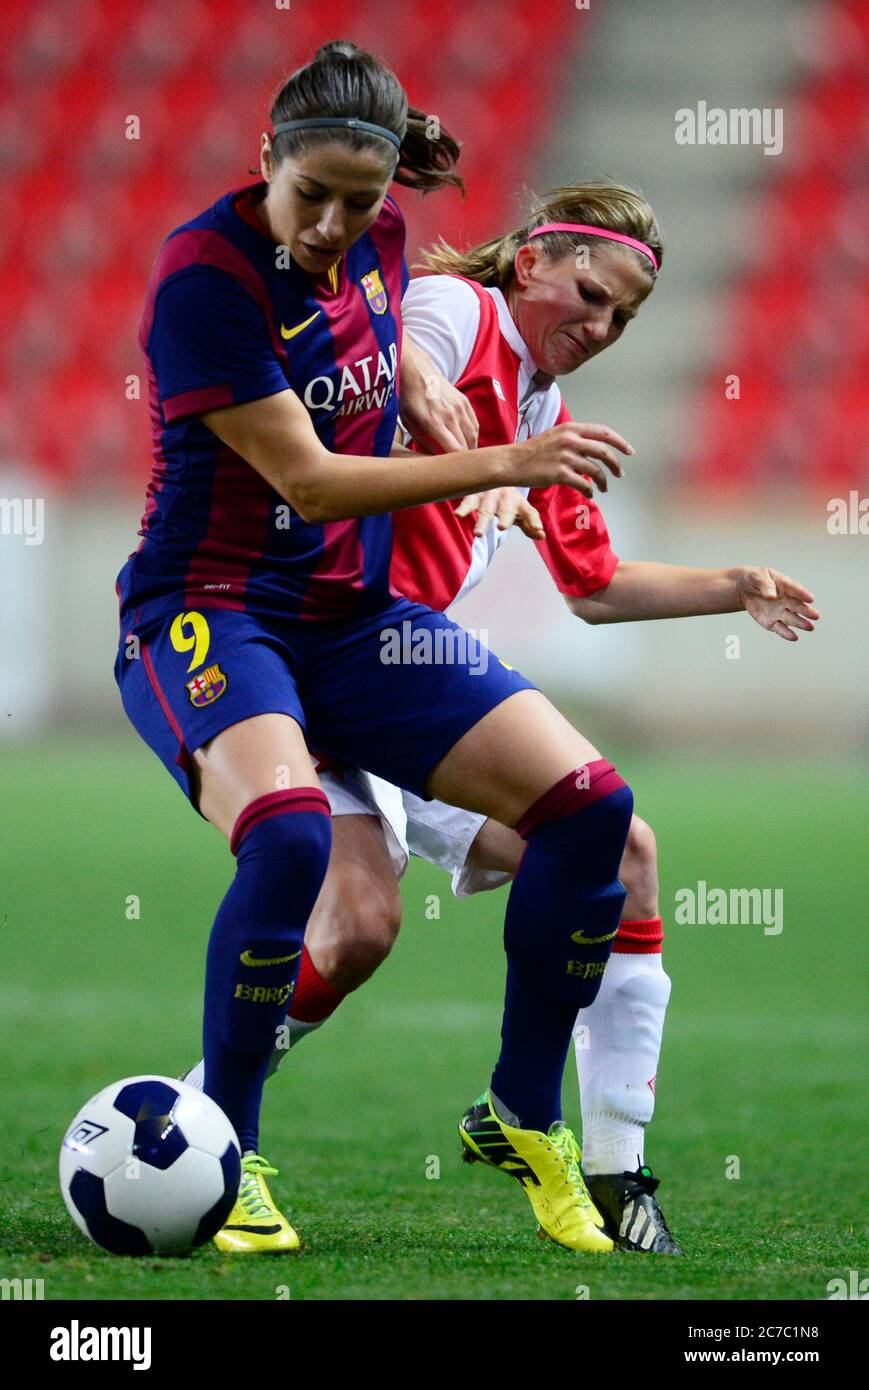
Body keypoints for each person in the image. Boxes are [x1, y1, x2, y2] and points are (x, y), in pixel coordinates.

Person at [216, 181, 818, 1253]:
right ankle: (207, 1123)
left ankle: (615, 1169)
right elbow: (396, 343)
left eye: (621, 318)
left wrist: (733, 583)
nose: (597, 325)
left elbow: (589, 586)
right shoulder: (462, 310)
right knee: (375, 913)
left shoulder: (543, 410)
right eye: (588, 293)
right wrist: (447, 420)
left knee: (605, 853)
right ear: (530, 261)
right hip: (318, 656)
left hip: (396, 690)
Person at [115, 40, 638, 1256]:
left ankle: (520, 1110)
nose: (337, 225)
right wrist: (504, 459)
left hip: (350, 621)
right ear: (265, 160)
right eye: (316, 199)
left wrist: (406, 369)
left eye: (364, 201)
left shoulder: (383, 244)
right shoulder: (204, 275)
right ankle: (229, 1153)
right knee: (292, 835)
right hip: (209, 608)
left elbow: (370, 325)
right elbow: (307, 474)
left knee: (589, 807)